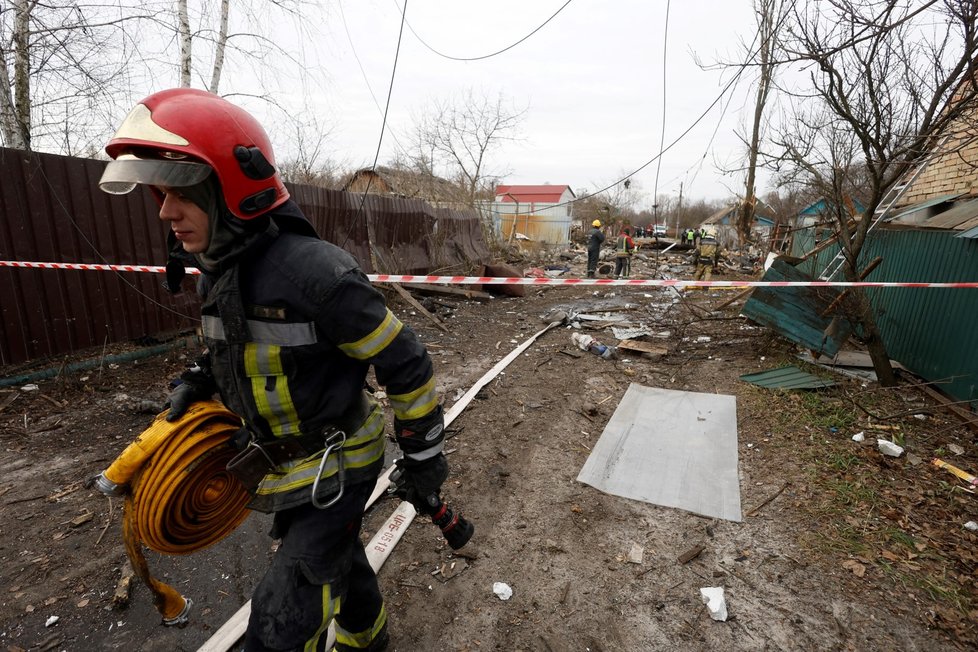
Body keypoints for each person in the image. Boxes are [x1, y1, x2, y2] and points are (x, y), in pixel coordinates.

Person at [99, 88, 447, 652]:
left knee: (281, 622)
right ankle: (370, 640)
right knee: (337, 561)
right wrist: (200, 378)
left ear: (232, 190)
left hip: (339, 466)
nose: (164, 211)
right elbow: (231, 352)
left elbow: (405, 360)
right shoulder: (217, 273)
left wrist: (424, 456)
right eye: (158, 194)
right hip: (281, 469)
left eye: (179, 192)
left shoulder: (317, 275)